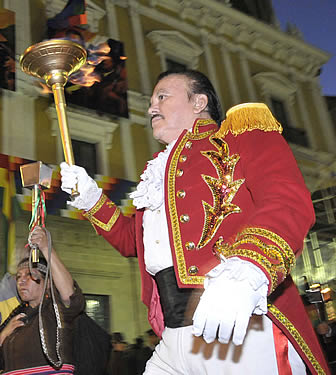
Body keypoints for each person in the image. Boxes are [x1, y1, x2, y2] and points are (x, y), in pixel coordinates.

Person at [60, 69, 330, 374]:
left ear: (199, 101)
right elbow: (129, 241)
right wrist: (90, 198)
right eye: (151, 101)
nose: (151, 107)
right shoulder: (155, 173)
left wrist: (248, 269)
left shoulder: (240, 134)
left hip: (237, 328)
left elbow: (287, 202)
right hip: (172, 337)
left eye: (162, 96)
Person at [0, 226, 85, 374]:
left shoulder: (55, 312)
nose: (21, 281)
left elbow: (70, 297)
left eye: (30, 275)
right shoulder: (15, 317)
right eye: (19, 276)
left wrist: (46, 248)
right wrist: (3, 334)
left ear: (47, 284)